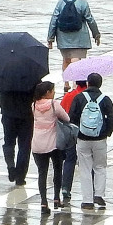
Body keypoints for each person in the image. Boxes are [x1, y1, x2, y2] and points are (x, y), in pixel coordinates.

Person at [67, 71, 113, 211]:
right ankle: (99, 194)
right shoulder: (105, 99)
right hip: (100, 139)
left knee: (85, 168)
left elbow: (72, 118)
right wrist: (106, 133)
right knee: (100, 167)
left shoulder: (79, 98)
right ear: (100, 84)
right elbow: (112, 121)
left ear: (87, 83)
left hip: (82, 139)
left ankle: (87, 200)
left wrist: (78, 133)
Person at [29, 80, 70, 213]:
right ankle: (57, 198)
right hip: (53, 143)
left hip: (37, 144)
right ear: (48, 92)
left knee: (42, 173)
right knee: (58, 169)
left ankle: (43, 202)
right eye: (53, 91)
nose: (54, 93)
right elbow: (67, 118)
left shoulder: (34, 105)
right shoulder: (54, 104)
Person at [47, 0, 101, 67]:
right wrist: (96, 35)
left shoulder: (60, 3)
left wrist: (50, 39)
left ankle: (66, 80)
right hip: (80, 38)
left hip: (63, 38)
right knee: (77, 60)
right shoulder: (83, 3)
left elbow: (54, 21)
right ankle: (76, 80)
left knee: (66, 61)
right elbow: (90, 20)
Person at [0, 85, 34, 186]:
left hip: (8, 116)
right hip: (26, 116)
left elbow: (1, 100)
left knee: (8, 143)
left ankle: (10, 165)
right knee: (24, 146)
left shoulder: (3, 79)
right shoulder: (31, 78)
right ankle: (20, 177)